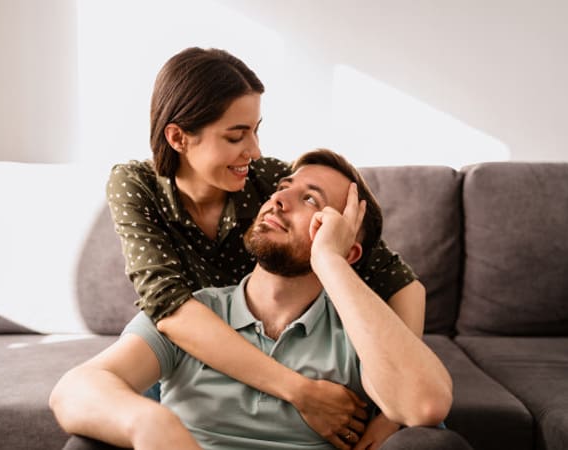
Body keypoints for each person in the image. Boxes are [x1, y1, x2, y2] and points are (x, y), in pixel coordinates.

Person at [105, 47, 427, 444]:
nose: (254, 150)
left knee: (428, 430)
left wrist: (389, 417)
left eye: (256, 129)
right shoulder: (136, 186)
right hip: (192, 362)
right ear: (178, 137)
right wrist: (299, 391)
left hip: (288, 348)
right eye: (236, 136)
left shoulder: (268, 180)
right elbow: (167, 307)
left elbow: (401, 282)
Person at [50, 149, 454, 450]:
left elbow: (424, 406)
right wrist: (148, 423)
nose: (279, 200)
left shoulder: (358, 332)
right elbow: (73, 390)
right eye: (282, 189)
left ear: (348, 250)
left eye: (311, 200)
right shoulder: (200, 314)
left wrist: (330, 262)